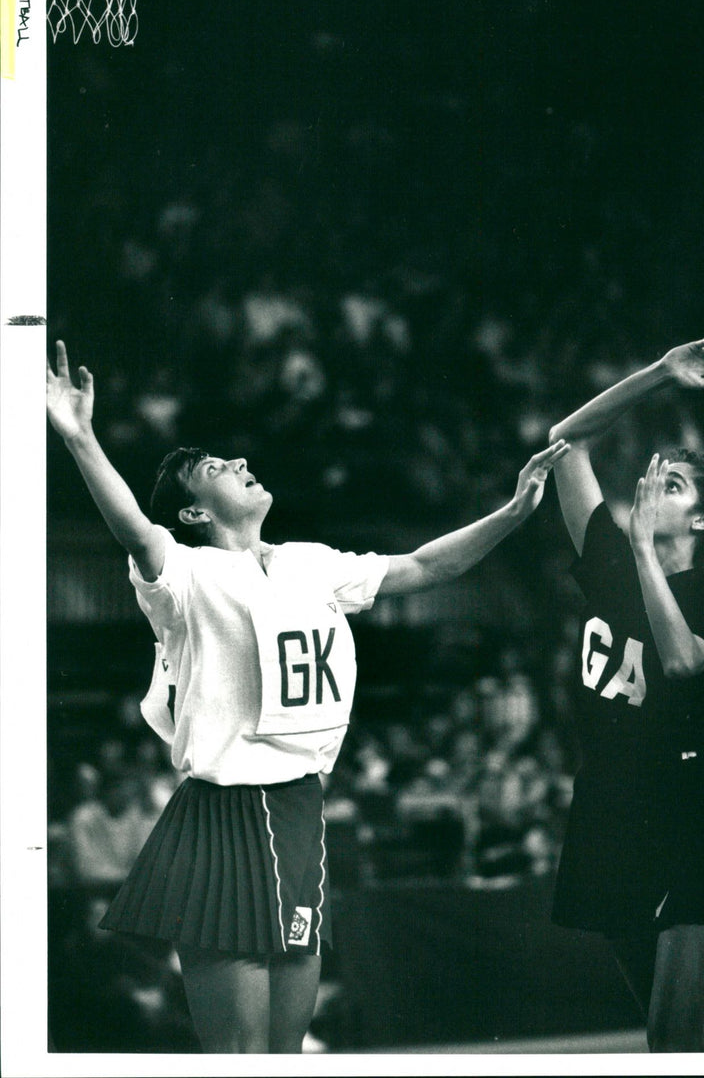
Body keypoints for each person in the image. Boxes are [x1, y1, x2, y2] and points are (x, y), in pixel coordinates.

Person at [46, 339, 569, 1054]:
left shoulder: (309, 564)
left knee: (288, 1053)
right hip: (223, 818)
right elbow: (137, 532)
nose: (238, 463)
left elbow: (421, 565)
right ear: (195, 514)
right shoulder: (186, 576)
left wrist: (512, 513)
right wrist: (80, 438)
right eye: (214, 469)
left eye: (235, 459)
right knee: (241, 1055)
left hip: (300, 811)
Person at [546, 335, 704, 1052]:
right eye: (654, 475)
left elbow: (679, 663)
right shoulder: (608, 558)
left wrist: (644, 551)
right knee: (674, 1033)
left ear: (702, 522)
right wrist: (657, 375)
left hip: (684, 806)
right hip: (608, 804)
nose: (650, 487)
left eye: (673, 485)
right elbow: (564, 442)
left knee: (673, 1030)